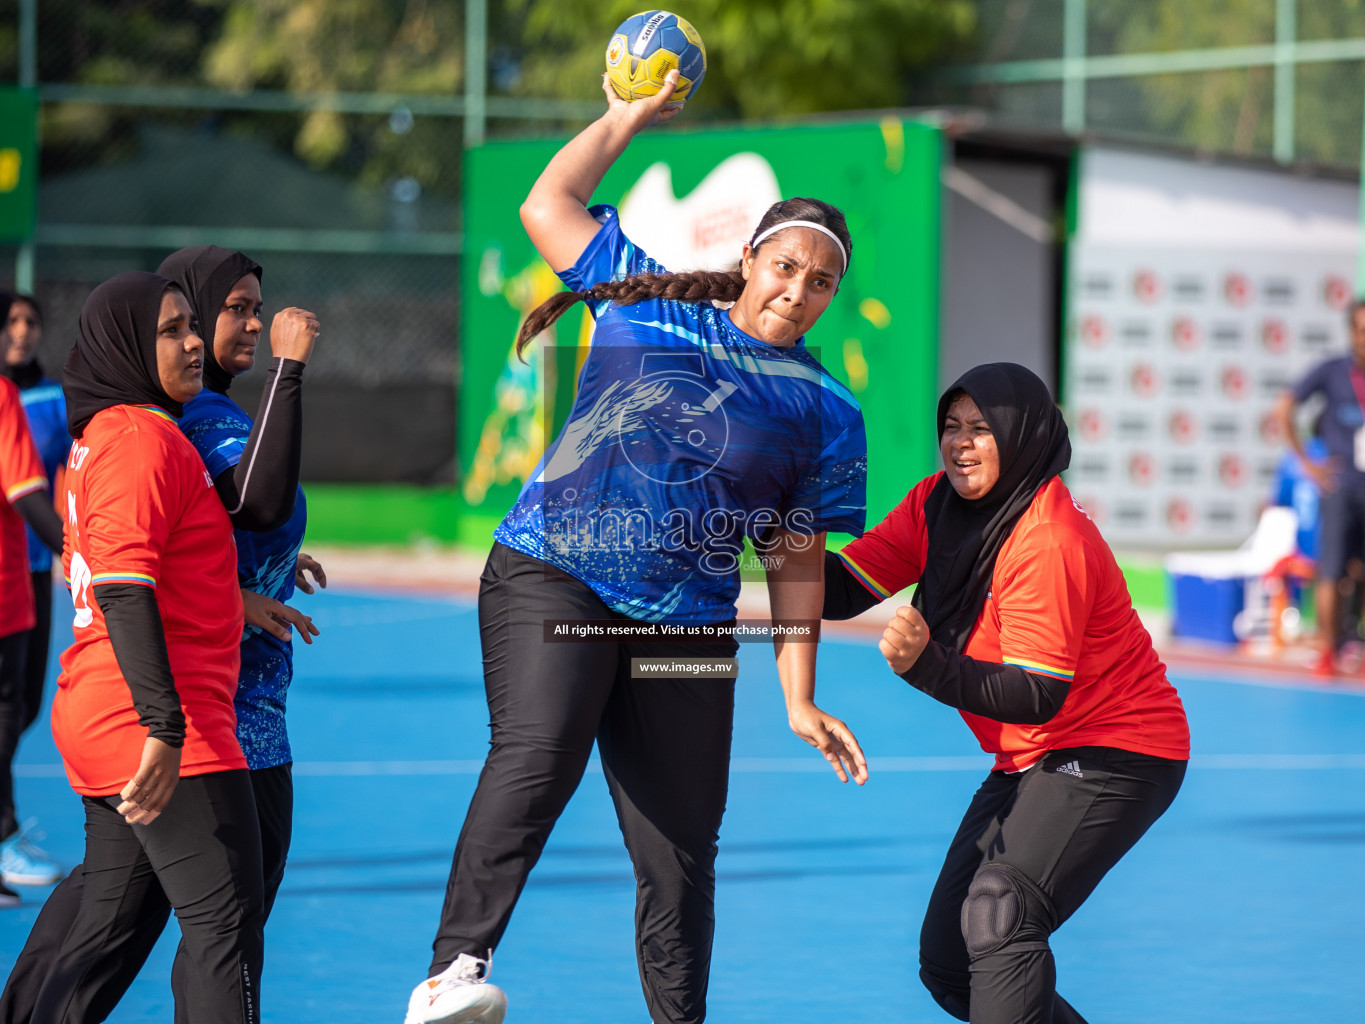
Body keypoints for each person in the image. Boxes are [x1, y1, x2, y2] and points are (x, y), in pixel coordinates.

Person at [405, 70, 868, 1024]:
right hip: (554, 574)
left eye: (821, 281)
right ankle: (453, 973)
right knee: (539, 755)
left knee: (680, 848)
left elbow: (792, 556)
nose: (799, 290)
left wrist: (799, 694)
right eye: (786, 266)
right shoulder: (643, 302)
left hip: (686, 623)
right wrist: (625, 115)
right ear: (750, 258)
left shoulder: (827, 408)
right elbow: (547, 203)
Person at [0, 247, 323, 1024]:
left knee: (107, 920)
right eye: (173, 329)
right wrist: (164, 725)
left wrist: (232, 596)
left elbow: (129, 553)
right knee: (223, 925)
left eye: (188, 326)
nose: (190, 343)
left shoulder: (137, 435)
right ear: (124, 347)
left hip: (133, 711)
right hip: (162, 718)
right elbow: (120, 581)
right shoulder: (141, 440)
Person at [823, 363, 1190, 1024]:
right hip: (1032, 756)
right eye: (951, 427)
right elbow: (842, 588)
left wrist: (924, 665)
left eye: (981, 430)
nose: (960, 444)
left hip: (1120, 748)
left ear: (1020, 436)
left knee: (1000, 911)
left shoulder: (1047, 539)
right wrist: (770, 525)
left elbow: (1036, 694)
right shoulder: (937, 505)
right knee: (948, 959)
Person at [0, 292, 69, 892]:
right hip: (12, 568)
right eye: (11, 322)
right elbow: (25, 491)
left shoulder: (51, 399)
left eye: (30, 322)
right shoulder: (4, 399)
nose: (21, 332)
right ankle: (4, 829)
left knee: (20, 706)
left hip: (30, 566)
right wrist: (83, 551)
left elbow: (65, 476)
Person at [1272, 298, 1365, 675]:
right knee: (1331, 570)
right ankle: (1327, 650)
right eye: (1360, 328)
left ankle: (1353, 643)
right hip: (1340, 486)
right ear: (1350, 331)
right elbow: (1285, 406)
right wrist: (1309, 464)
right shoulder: (1332, 370)